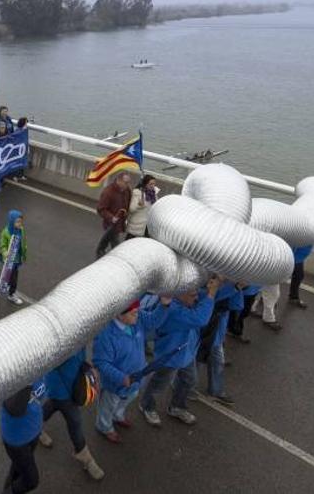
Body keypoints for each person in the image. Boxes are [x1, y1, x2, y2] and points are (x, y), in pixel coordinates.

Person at [139, 277, 219, 427]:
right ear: (178, 294)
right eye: (193, 295)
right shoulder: (173, 310)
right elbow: (200, 319)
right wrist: (212, 293)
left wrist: (229, 285)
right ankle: (147, 406)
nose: (196, 298)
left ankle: (177, 407)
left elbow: (204, 295)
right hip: (170, 357)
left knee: (189, 380)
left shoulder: (185, 298)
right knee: (159, 385)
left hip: (186, 353)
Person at [93, 296, 171, 442]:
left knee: (127, 399)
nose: (138, 315)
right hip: (115, 384)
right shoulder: (106, 335)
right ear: (118, 315)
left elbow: (154, 321)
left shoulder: (136, 317)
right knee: (108, 406)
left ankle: (118, 416)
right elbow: (101, 363)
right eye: (133, 313)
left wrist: (164, 305)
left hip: (136, 379)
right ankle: (104, 427)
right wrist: (122, 378)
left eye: (137, 311)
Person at [39, 349, 105, 481]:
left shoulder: (77, 329)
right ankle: (83, 454)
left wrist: (85, 365)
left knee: (52, 407)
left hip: (71, 381)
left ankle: (35, 428)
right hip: (61, 386)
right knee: (74, 420)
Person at [2, 380, 46, 494]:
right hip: (17, 440)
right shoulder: (14, 372)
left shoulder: (42, 365)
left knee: (17, 471)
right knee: (31, 480)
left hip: (34, 430)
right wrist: (27, 378)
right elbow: (15, 409)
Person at [95, 172, 133, 258]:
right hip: (111, 221)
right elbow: (101, 209)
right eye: (126, 182)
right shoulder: (108, 192)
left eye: (128, 182)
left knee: (109, 236)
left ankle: (100, 249)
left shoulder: (127, 190)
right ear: (119, 181)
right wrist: (111, 217)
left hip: (121, 221)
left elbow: (129, 201)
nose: (128, 185)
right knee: (115, 239)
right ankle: (116, 257)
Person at [0, 210, 26, 306]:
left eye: (21, 221)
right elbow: (2, 245)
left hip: (17, 258)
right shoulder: (6, 232)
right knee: (11, 277)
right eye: (17, 222)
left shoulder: (21, 230)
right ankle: (11, 294)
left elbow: (23, 241)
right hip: (9, 259)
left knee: (10, 277)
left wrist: (24, 251)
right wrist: (5, 252)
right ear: (12, 221)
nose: (19, 224)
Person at [126, 174, 158, 239]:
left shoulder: (154, 194)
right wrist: (138, 205)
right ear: (145, 184)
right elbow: (131, 209)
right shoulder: (137, 193)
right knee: (128, 244)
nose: (153, 186)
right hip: (136, 227)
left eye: (154, 184)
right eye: (150, 184)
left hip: (146, 227)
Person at [289, 244, 313, 308]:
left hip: (298, 256)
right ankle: (266, 298)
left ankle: (293, 297)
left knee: (299, 276)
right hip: (292, 255)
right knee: (279, 275)